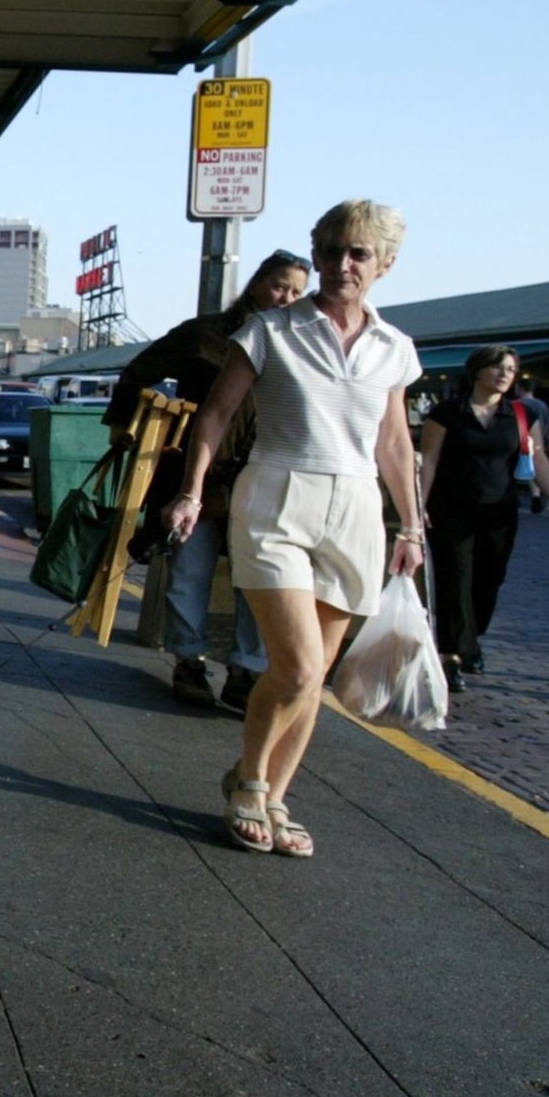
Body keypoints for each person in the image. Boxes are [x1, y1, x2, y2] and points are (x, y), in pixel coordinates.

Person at [165, 200, 427, 860]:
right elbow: (215, 415)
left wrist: (411, 525)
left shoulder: (395, 348)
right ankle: (248, 779)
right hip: (277, 495)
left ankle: (277, 795)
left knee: (317, 676)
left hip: (358, 509)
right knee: (299, 663)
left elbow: (394, 442)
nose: (342, 264)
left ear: (385, 264)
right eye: (333, 250)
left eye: (359, 253)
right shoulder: (271, 330)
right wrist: (192, 491)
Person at [106, 250, 309, 710]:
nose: (287, 297)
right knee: (190, 572)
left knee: (259, 578)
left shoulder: (300, 342)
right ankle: (188, 662)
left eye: (297, 291)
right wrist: (124, 426)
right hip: (196, 474)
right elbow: (139, 370)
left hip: (263, 476)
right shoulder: (206, 334)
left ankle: (246, 670)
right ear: (257, 282)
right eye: (280, 285)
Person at [418, 346, 549, 692]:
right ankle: (452, 657)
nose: (505, 374)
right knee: (455, 582)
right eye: (498, 367)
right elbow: (428, 461)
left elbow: (539, 459)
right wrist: (419, 506)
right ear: (477, 371)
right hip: (451, 512)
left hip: (498, 514)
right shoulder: (446, 413)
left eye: (511, 369)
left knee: (488, 582)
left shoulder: (520, 416)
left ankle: (471, 640)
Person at [510, 375, 549, 513]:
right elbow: (547, 423)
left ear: (519, 388)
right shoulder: (542, 405)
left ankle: (513, 495)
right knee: (533, 468)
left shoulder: (515, 404)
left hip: (520, 441)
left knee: (514, 468)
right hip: (538, 440)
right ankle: (536, 497)